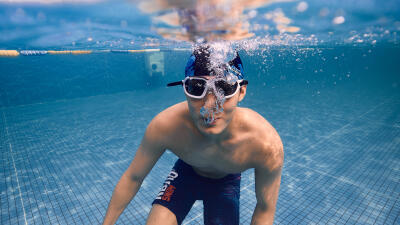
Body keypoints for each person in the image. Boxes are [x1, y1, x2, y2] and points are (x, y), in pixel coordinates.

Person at [102, 45, 284, 225]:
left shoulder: (265, 144)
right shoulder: (166, 126)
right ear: (185, 89)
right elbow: (133, 178)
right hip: (186, 173)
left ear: (241, 92)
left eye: (224, 88)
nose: (210, 106)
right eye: (197, 88)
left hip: (226, 181)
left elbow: (265, 207)